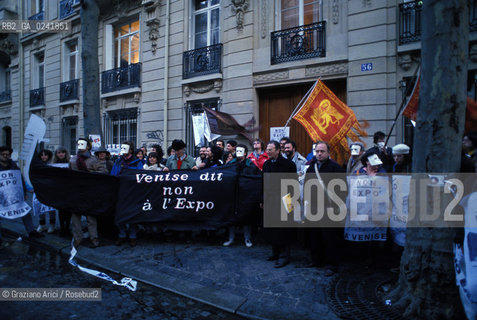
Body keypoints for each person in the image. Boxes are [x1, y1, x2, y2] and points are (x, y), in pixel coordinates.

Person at [305, 141, 345, 276]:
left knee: (330, 237)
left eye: (322, 151)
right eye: (317, 151)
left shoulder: (335, 167)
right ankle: (317, 260)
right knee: (314, 236)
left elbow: (342, 189)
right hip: (314, 207)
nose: (319, 153)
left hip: (329, 208)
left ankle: (331, 264)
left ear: (328, 153)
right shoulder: (311, 167)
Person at [262, 140, 297, 268]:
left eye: (270, 149)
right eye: (267, 149)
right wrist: (262, 200)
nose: (268, 152)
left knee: (283, 229)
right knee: (271, 228)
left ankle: (284, 256)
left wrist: (290, 202)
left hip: (284, 200)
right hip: (270, 200)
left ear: (278, 150)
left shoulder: (288, 165)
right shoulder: (266, 164)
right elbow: (263, 183)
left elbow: (293, 185)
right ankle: (275, 253)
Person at [0, 146, 44, 244]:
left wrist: (24, 192)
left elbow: (20, 180)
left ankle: (31, 231)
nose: (5, 156)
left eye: (7, 154)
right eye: (3, 154)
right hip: (1, 196)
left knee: (25, 212)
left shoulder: (14, 166)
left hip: (14, 194)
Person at [223, 144, 260, 247]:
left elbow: (255, 178)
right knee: (232, 216)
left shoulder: (251, 165)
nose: (238, 153)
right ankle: (231, 238)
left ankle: (247, 239)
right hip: (233, 194)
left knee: (246, 217)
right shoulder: (231, 164)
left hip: (246, 195)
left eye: (240, 151)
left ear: (245, 153)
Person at [69, 138, 101, 248]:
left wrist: (91, 173)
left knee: (90, 215)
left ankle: (94, 237)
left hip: (89, 190)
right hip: (76, 190)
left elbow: (103, 171)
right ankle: (78, 237)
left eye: (83, 144)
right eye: (79, 143)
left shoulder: (93, 160)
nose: (80, 146)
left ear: (88, 147)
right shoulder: (73, 160)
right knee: (75, 215)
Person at [111, 141, 139, 247]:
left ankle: (133, 236)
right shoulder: (118, 162)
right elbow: (113, 175)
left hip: (133, 192)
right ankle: (122, 235)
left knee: (132, 214)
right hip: (121, 191)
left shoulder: (137, 162)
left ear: (131, 150)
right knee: (120, 213)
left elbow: (139, 175)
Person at [36, 149, 57, 234]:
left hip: (50, 189)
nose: (43, 156)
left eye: (45, 155)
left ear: (49, 156)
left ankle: (52, 225)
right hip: (40, 188)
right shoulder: (37, 165)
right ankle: (42, 224)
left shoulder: (52, 165)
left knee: (51, 208)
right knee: (40, 207)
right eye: (42, 155)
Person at [52, 146, 72, 237]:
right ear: (56, 154)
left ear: (65, 153)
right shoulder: (53, 164)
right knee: (61, 210)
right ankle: (62, 228)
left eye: (62, 152)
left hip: (68, 189)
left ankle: (67, 227)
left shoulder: (70, 163)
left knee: (68, 210)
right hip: (59, 190)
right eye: (59, 153)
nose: (61, 154)